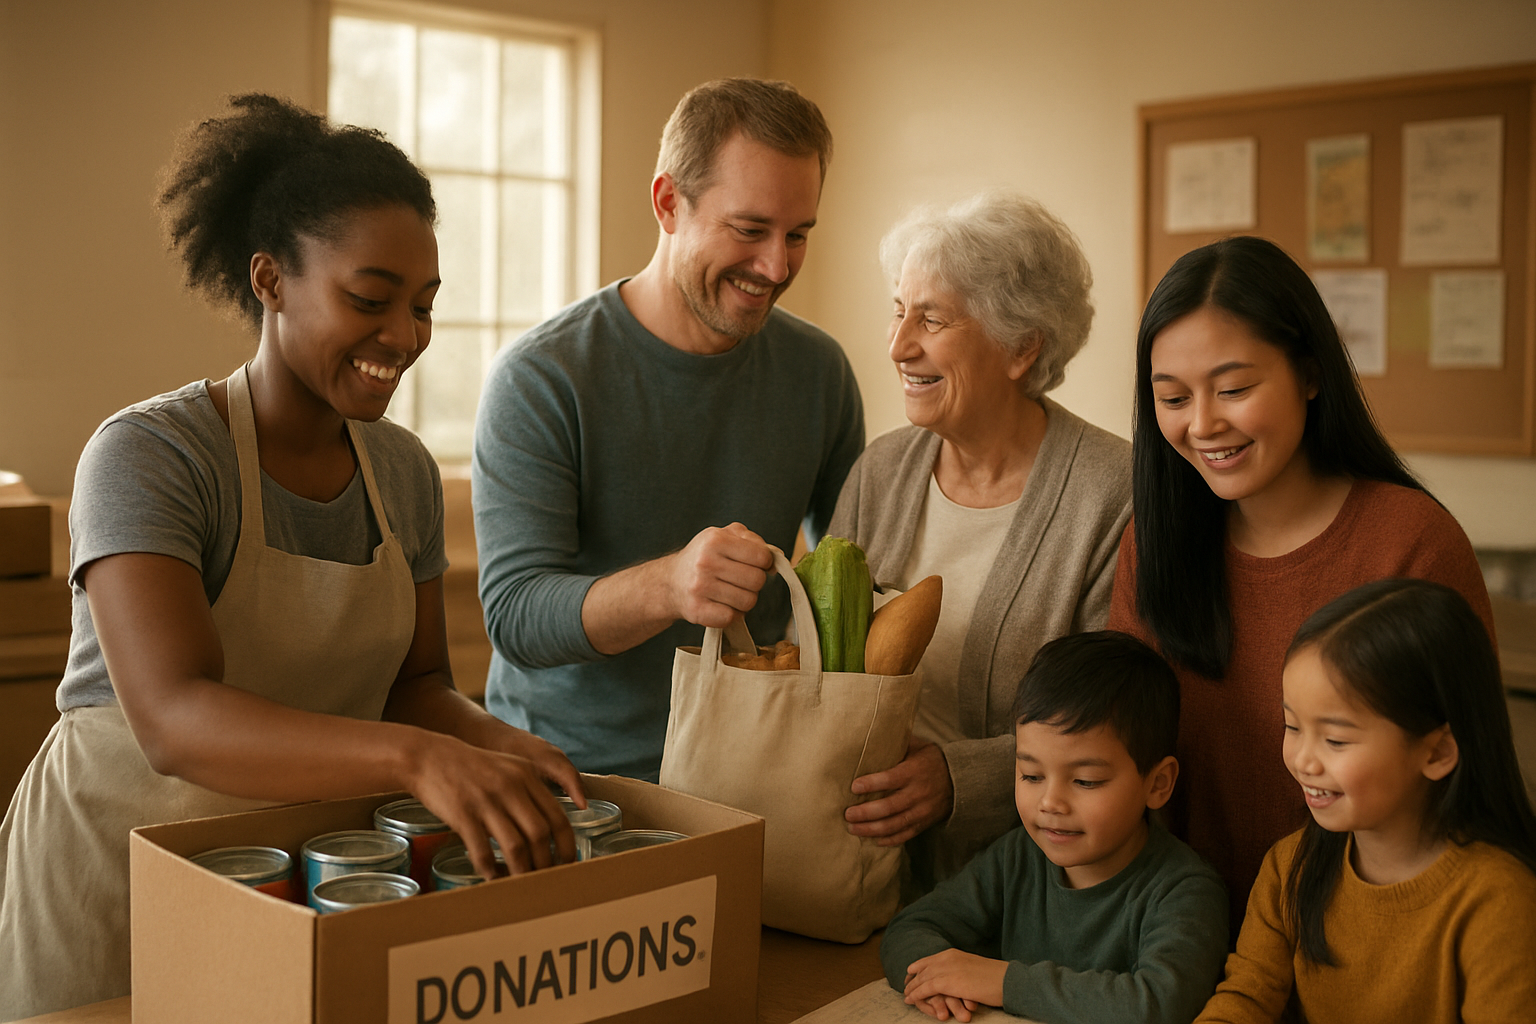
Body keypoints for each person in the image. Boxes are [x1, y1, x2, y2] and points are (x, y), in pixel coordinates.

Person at [0, 95, 585, 1021]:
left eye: (424, 306)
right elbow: (174, 720)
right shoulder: (151, 455)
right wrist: (418, 760)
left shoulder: (400, 473)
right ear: (270, 280)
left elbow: (417, 683)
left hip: (288, 881)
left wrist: (502, 748)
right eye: (370, 298)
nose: (406, 335)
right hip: (111, 875)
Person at [472, 78, 864, 781]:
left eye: (797, 235)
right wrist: (671, 585)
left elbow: (853, 569)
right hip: (570, 781)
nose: (776, 267)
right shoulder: (541, 377)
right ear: (667, 204)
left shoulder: (821, 373)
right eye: (748, 230)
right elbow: (517, 616)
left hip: (754, 773)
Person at [1106, 236, 1495, 932]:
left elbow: (1467, 789)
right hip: (1179, 941)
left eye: (1233, 389)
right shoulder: (1156, 543)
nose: (1202, 424)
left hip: (1367, 949)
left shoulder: (1410, 543)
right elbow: (1121, 756)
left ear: (1311, 374)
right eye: (1172, 397)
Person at [829, 191, 1130, 884]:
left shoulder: (1113, 493)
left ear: (1022, 347)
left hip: (1032, 882)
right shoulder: (881, 470)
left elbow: (1120, 714)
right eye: (898, 311)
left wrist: (958, 780)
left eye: (931, 319)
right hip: (860, 869)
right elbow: (824, 658)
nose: (899, 345)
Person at [1198, 579, 1536, 1022]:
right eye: (1292, 726)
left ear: (1436, 752)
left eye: (1335, 740)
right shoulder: (1288, 867)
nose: (1303, 760)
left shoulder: (1499, 900)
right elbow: (1245, 997)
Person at [882, 631, 1228, 1023]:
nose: (1050, 803)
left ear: (1158, 783)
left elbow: (1158, 1004)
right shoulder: (1017, 857)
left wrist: (1001, 982)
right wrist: (936, 985)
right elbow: (910, 927)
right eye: (1031, 775)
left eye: (1085, 781)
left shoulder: (1185, 891)